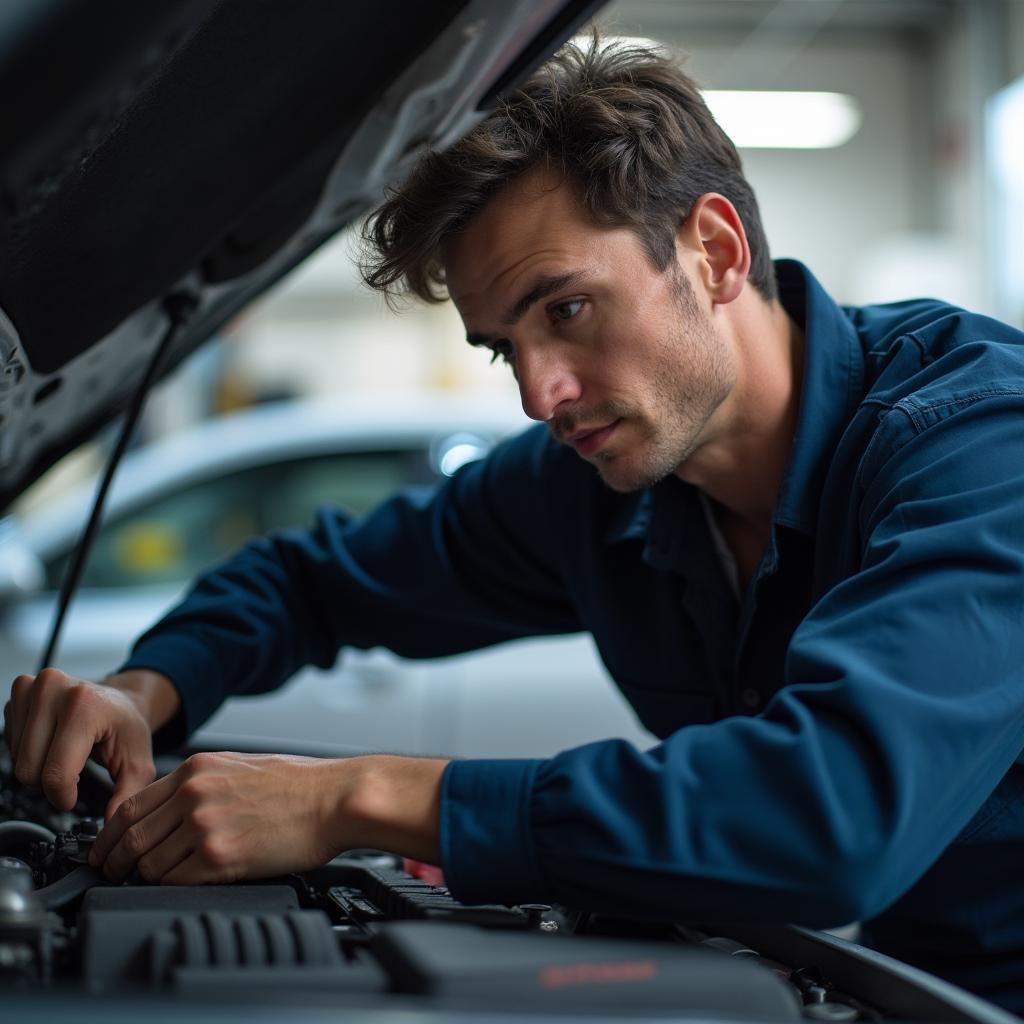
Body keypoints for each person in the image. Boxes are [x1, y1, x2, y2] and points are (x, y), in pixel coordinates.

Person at [6, 34, 1024, 1009]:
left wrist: (346, 795)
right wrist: (143, 691)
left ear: (713, 251)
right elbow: (307, 580)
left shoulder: (977, 446)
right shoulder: (590, 485)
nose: (540, 394)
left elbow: (826, 816)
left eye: (566, 309)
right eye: (504, 347)